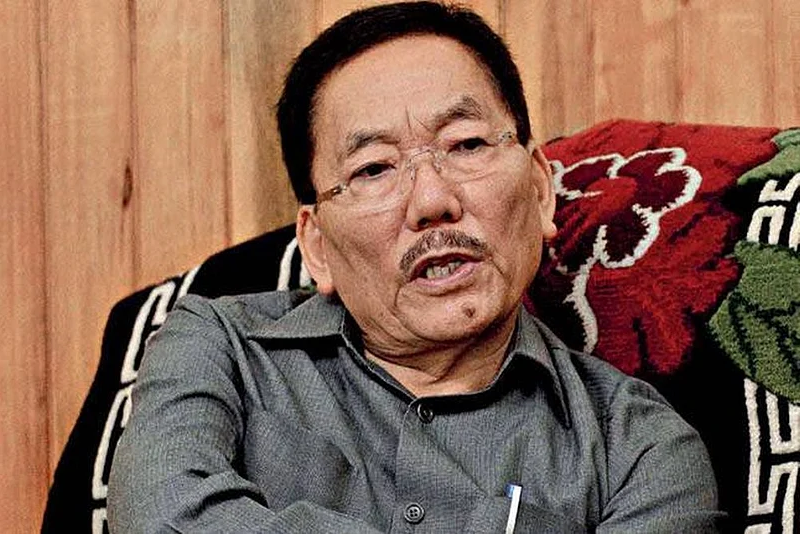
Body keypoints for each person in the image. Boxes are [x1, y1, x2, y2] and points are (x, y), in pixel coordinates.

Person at [108, 2, 724, 532]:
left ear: (541, 190)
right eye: (374, 168)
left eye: (467, 144)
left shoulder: (641, 452)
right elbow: (161, 518)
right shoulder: (218, 347)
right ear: (316, 245)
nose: (432, 201)